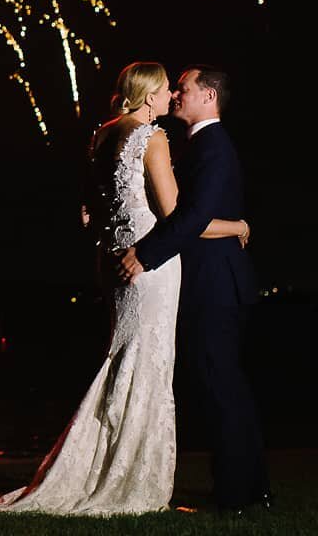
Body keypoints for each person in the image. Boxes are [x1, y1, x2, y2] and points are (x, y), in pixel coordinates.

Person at [0, 62, 248, 517]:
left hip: (112, 261)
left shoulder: (101, 135)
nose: (172, 98)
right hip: (150, 267)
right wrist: (234, 226)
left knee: (122, 357)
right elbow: (176, 216)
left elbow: (90, 211)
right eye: (166, 91)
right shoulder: (152, 138)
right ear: (148, 98)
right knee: (148, 364)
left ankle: (104, 465)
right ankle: (132, 478)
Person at [117, 66, 270, 514]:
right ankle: (253, 489)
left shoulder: (213, 147)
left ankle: (233, 498)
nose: (176, 94)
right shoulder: (198, 145)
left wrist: (145, 254)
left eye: (183, 88)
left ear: (207, 96)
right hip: (216, 282)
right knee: (228, 388)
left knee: (220, 389)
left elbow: (193, 217)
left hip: (215, 285)